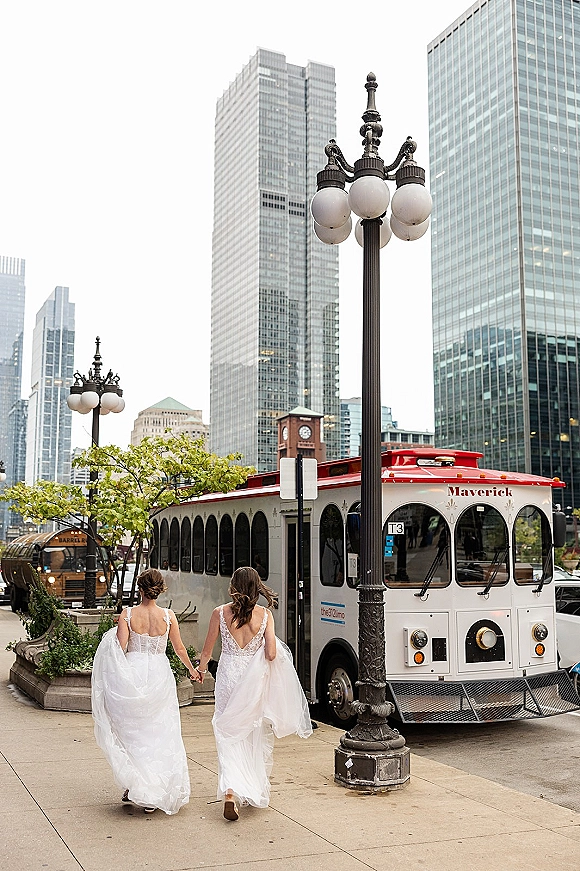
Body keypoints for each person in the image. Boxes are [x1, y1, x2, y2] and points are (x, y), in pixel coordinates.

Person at [194, 566, 312, 822]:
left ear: (234, 586)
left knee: (227, 732)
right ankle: (246, 788)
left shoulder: (220, 613)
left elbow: (207, 652)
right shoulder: (266, 615)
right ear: (257, 587)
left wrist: (200, 671)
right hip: (252, 680)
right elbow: (270, 654)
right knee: (251, 732)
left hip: (227, 676)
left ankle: (230, 791)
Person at [91, 568, 194, 815]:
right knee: (159, 732)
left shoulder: (127, 615)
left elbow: (121, 647)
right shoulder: (169, 616)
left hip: (134, 673)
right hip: (160, 673)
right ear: (160, 589)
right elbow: (179, 648)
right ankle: (149, 791)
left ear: (140, 588)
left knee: (132, 732)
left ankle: (136, 785)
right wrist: (192, 670)